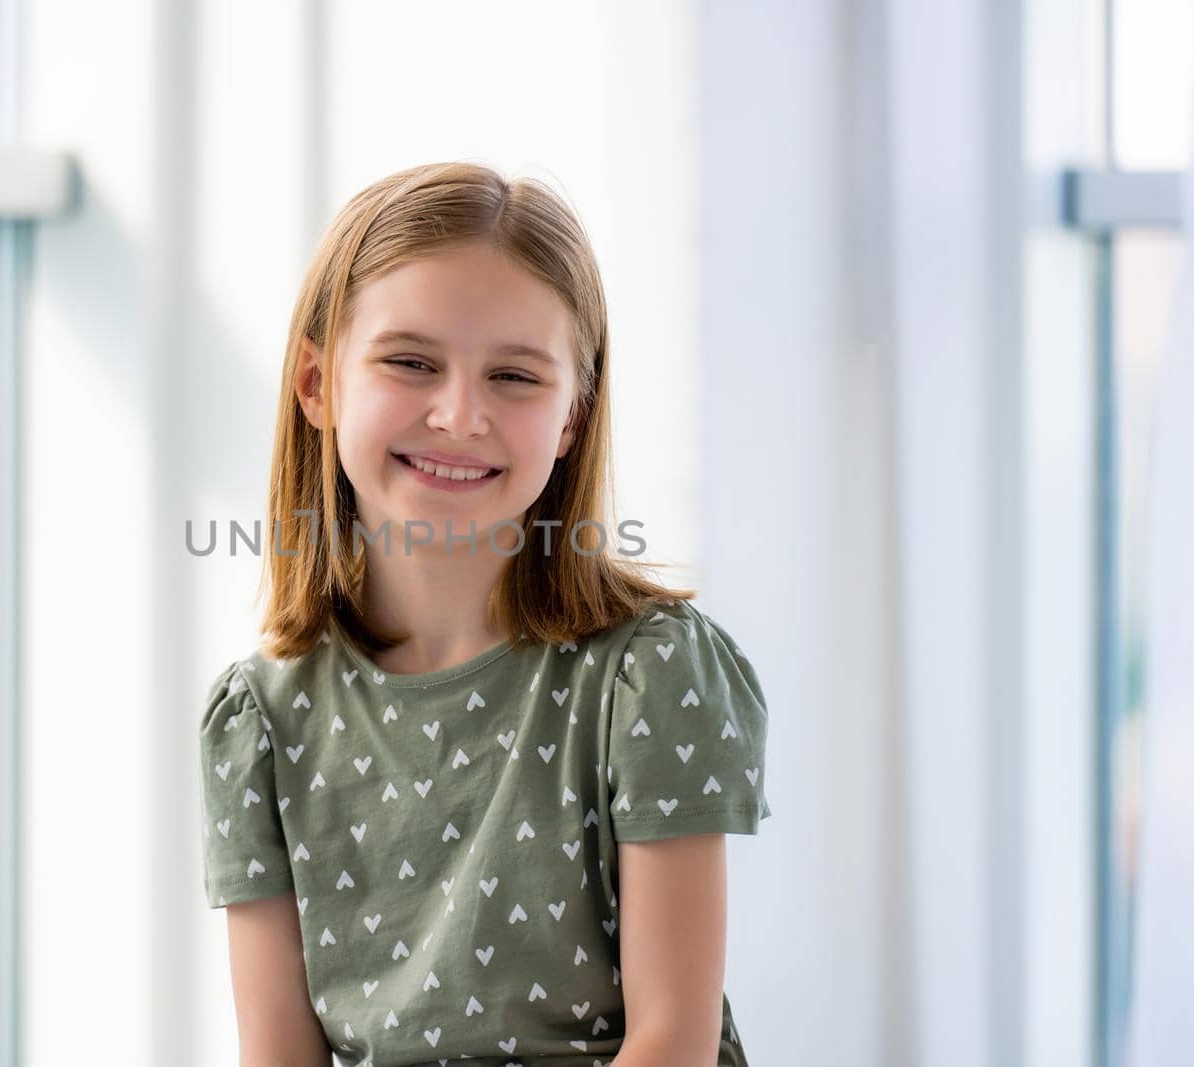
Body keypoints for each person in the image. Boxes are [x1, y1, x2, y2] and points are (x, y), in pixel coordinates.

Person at [197, 161, 770, 1067]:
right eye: (411, 362)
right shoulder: (259, 721)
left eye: (514, 376)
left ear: (573, 417)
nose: (460, 415)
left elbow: (673, 1041)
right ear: (317, 383)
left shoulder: (648, 674)